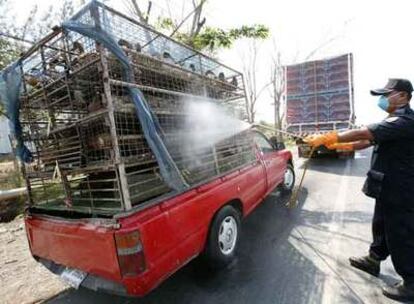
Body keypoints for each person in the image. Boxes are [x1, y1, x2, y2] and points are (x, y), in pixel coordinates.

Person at [304, 78, 414, 302]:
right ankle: (374, 260)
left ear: (403, 96)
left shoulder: (405, 121)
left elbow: (365, 133)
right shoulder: (393, 120)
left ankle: (411, 283)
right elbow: (366, 142)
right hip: (387, 185)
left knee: (400, 234)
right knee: (381, 224)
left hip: (401, 188)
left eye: (387, 94)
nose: (383, 99)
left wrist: (329, 136)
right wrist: (337, 145)